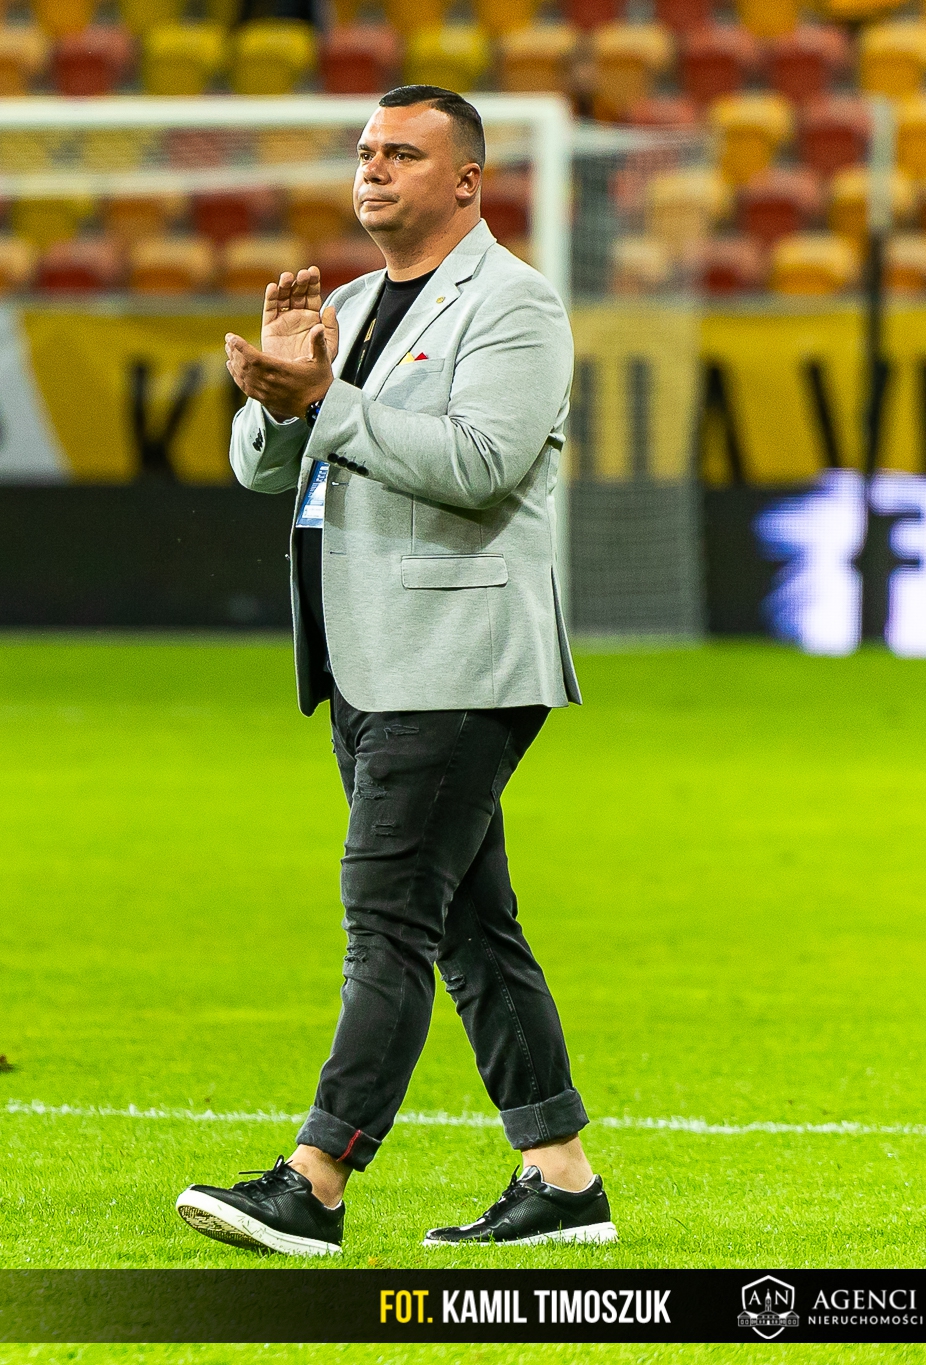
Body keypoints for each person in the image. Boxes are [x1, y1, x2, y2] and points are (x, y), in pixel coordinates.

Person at [175, 86, 605, 1257]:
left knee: (386, 919)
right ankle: (561, 1181)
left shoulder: (514, 304)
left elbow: (477, 463)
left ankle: (314, 1180)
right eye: (365, 151)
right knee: (467, 925)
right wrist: (278, 396)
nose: (371, 168)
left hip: (456, 655)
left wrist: (325, 399)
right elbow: (264, 470)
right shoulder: (353, 304)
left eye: (401, 153)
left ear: (465, 180)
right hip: (364, 652)